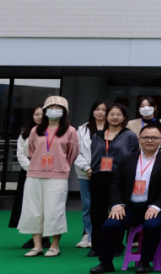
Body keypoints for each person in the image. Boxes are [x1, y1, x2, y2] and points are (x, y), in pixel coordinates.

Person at [91, 123, 161, 274]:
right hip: (129, 206)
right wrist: (117, 204)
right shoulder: (127, 158)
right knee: (110, 225)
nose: (150, 140)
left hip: (155, 207)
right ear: (139, 139)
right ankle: (106, 263)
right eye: (146, 137)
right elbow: (116, 184)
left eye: (154, 138)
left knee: (152, 226)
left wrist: (156, 206)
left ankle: (144, 262)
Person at [19, 97, 80, 257]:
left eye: (58, 107)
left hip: (57, 176)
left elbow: (72, 153)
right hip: (34, 174)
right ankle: (37, 246)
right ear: (45, 110)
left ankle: (54, 246)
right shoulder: (36, 130)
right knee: (33, 210)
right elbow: (31, 151)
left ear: (64, 111)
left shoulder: (70, 131)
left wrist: (62, 166)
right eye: (51, 107)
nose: (54, 110)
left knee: (55, 210)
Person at [90, 104, 139, 257]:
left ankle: (116, 245)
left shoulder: (129, 135)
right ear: (106, 116)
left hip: (119, 178)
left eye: (119, 114)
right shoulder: (97, 135)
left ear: (124, 118)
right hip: (98, 177)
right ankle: (96, 246)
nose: (115, 117)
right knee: (97, 213)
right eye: (112, 114)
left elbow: (135, 156)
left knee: (118, 212)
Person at [74, 100, 109, 249]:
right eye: (97, 109)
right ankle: (87, 233)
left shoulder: (114, 128)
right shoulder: (82, 129)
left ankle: (102, 234)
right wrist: (87, 168)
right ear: (92, 111)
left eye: (104, 110)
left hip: (107, 173)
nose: (100, 112)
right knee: (87, 204)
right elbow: (76, 151)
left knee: (106, 205)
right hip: (86, 173)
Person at [11, 106, 44, 250]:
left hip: (48, 172)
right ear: (32, 117)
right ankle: (35, 237)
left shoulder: (52, 133)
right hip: (28, 172)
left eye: (42, 114)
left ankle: (45, 237)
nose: (40, 117)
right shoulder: (24, 134)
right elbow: (20, 154)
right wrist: (32, 168)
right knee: (30, 205)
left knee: (45, 205)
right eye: (37, 114)